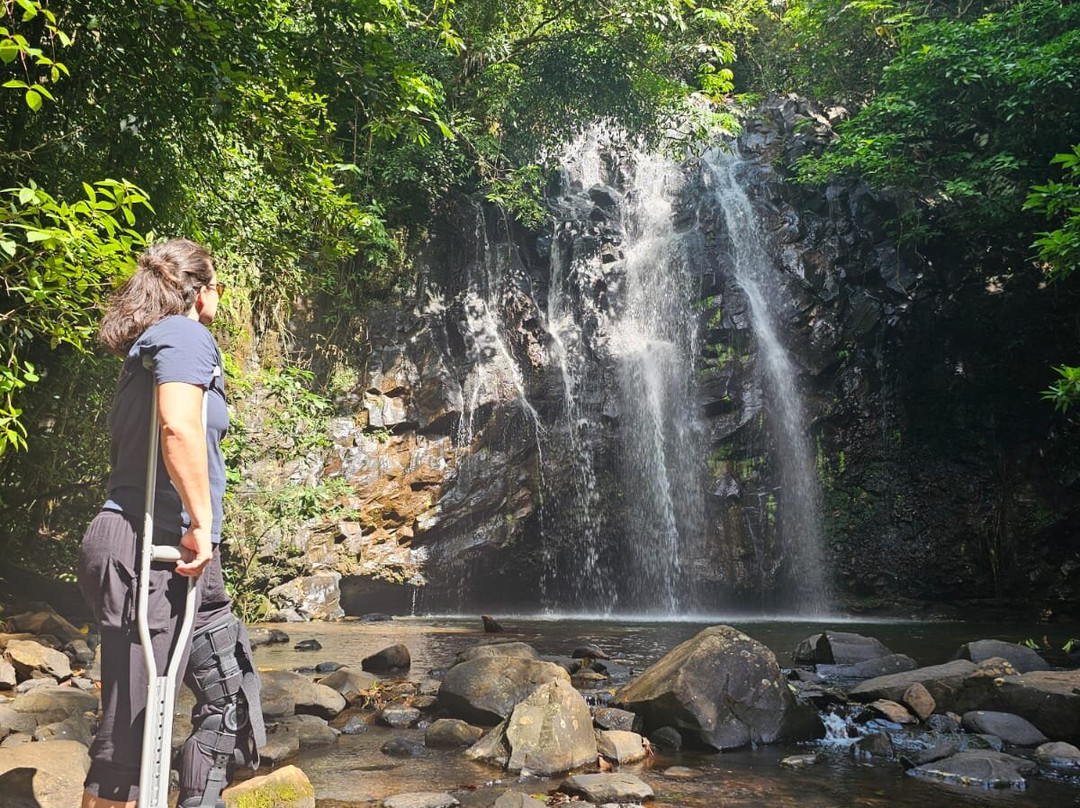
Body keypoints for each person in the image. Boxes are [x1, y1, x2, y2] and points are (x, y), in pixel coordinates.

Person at [78, 239, 264, 808]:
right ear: (199, 291)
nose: (221, 298)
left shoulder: (157, 344)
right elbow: (177, 428)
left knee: (230, 700)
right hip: (149, 546)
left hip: (183, 560)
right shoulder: (184, 334)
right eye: (218, 285)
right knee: (127, 748)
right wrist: (203, 523)